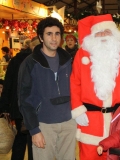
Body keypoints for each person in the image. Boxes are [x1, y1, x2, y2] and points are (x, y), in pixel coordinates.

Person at [70, 14, 120, 160]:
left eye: (107, 32)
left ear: (115, 34)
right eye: (98, 33)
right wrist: (77, 109)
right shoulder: (81, 54)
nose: (103, 36)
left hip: (117, 119)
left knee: (116, 155)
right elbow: (75, 83)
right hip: (90, 121)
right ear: (92, 36)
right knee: (89, 155)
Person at [18, 17, 77, 160]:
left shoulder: (68, 60)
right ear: (41, 37)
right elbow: (24, 99)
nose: (54, 38)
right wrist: (34, 130)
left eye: (57, 34)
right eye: (49, 33)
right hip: (43, 125)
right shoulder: (30, 63)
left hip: (68, 123)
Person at [0, 38, 37, 160]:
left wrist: (4, 106)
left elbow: (8, 84)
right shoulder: (36, 61)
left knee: (20, 138)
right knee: (34, 140)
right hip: (33, 107)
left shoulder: (16, 60)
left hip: (17, 106)